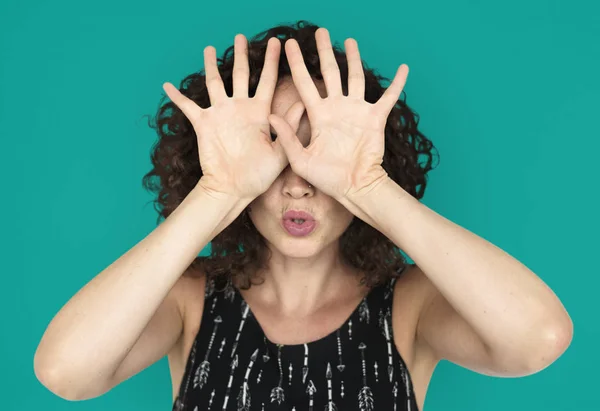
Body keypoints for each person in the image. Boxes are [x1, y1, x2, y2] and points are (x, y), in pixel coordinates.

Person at [33, 20, 573, 411]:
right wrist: (219, 190)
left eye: (318, 151)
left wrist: (367, 184)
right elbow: (65, 373)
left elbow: (539, 338)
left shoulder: (411, 307)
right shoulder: (189, 300)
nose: (297, 182)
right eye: (273, 148)